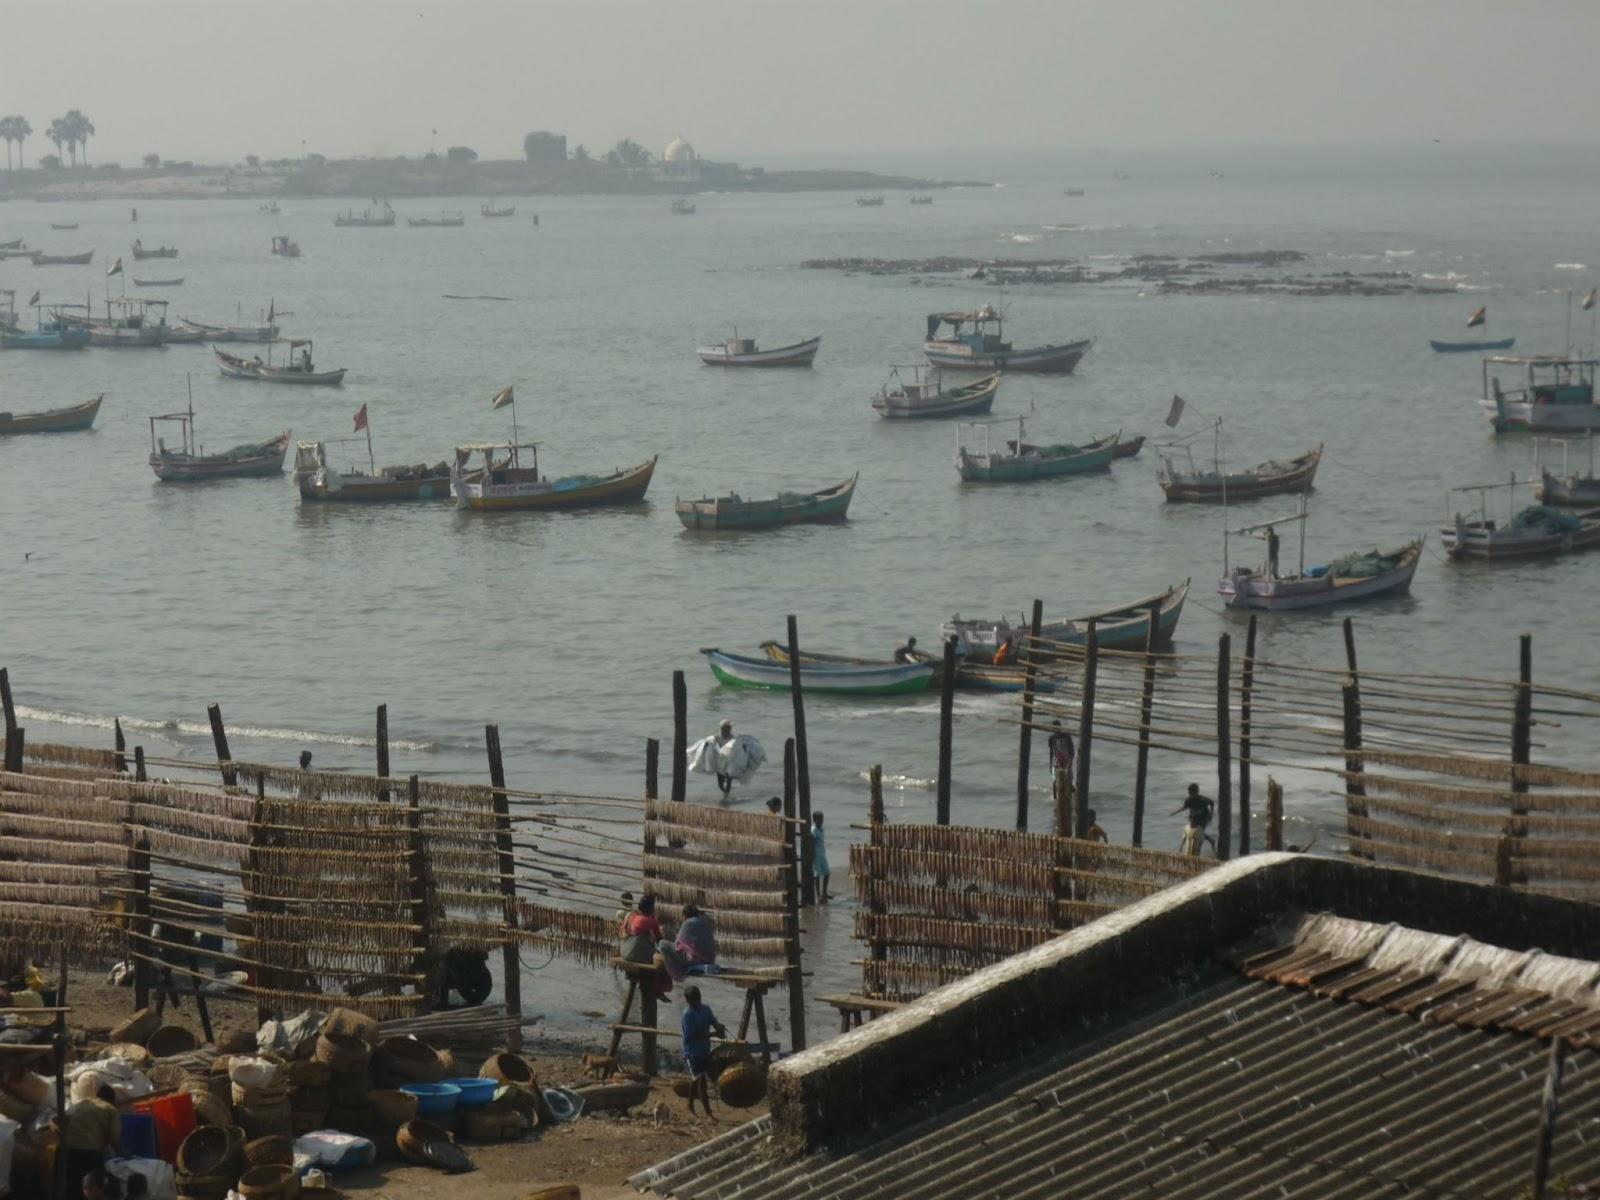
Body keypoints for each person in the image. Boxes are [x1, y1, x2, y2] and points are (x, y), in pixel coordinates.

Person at [61, 1084, 121, 1198]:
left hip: (67, 1151)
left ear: (97, 1095)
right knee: (93, 1187)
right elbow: (114, 1137)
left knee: (71, 1189)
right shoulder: (110, 1109)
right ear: (112, 1100)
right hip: (90, 1153)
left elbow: (67, 1120)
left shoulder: (83, 1103)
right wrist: (122, 1153)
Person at [679, 985, 727, 1117]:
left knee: (696, 1080)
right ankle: (708, 1113)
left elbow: (713, 1021)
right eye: (693, 1001)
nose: (696, 1003)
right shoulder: (687, 1015)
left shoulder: (706, 1009)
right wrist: (713, 1035)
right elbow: (692, 1036)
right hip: (692, 1052)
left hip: (705, 1050)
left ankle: (689, 1104)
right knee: (701, 1081)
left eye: (697, 1000)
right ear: (688, 1001)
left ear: (700, 998)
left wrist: (719, 1027)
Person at [1172, 783, 1215, 856]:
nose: (1189, 794)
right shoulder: (1188, 800)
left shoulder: (1202, 799)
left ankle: (1209, 842)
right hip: (1194, 815)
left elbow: (1212, 803)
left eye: (1191, 792)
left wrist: (1211, 814)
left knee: (1199, 831)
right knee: (1192, 828)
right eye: (1189, 792)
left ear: (1196, 792)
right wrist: (1175, 812)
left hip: (1204, 816)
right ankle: (1211, 840)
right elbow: (1184, 807)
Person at [674, 904, 718, 971]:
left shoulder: (688, 923)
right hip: (710, 959)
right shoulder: (704, 923)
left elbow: (677, 944)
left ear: (685, 915)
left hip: (697, 959)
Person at [811, 811, 830, 903]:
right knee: (817, 875)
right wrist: (811, 855)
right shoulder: (813, 830)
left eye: (822, 819)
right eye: (819, 819)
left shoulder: (821, 829)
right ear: (814, 820)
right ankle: (818, 895)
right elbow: (811, 842)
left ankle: (824, 892)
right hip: (816, 856)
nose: (821, 821)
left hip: (822, 854)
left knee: (827, 873)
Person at [713, 720, 735, 796]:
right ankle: (724, 793)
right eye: (726, 728)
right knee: (720, 784)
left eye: (729, 728)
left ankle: (726, 797)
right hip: (720, 764)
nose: (728, 730)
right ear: (722, 729)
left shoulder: (733, 738)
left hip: (730, 763)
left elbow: (738, 749)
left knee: (729, 781)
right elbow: (711, 746)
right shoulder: (717, 738)